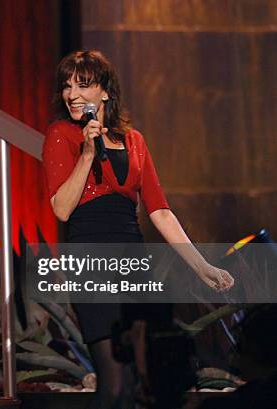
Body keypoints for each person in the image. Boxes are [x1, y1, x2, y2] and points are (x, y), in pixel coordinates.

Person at [42, 50, 234, 409]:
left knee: (138, 386)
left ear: (105, 92)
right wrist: (86, 154)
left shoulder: (134, 142)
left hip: (134, 265)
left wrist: (203, 267)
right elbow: (62, 209)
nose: (72, 95)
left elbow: (160, 212)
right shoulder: (61, 134)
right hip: (92, 265)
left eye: (83, 85)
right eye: (66, 86)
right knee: (113, 387)